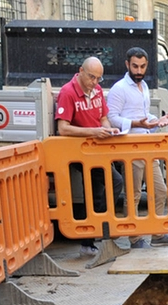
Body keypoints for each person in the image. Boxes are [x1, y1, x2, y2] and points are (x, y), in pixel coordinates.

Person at [106, 46, 168, 248]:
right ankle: (135, 237)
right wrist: (137, 124)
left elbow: (143, 114)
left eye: (142, 67)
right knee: (134, 194)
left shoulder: (144, 86)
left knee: (160, 190)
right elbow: (112, 118)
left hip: (147, 144)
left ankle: (157, 234)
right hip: (130, 146)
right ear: (127, 64)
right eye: (135, 66)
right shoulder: (119, 88)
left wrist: (158, 120)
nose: (139, 71)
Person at [54, 56, 125, 257]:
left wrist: (107, 130)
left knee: (96, 192)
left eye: (98, 79)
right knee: (113, 182)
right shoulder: (68, 93)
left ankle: (92, 238)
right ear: (80, 71)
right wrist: (94, 132)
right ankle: (99, 231)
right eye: (92, 77)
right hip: (81, 150)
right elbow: (63, 128)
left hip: (97, 147)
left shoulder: (97, 90)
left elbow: (103, 117)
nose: (94, 82)